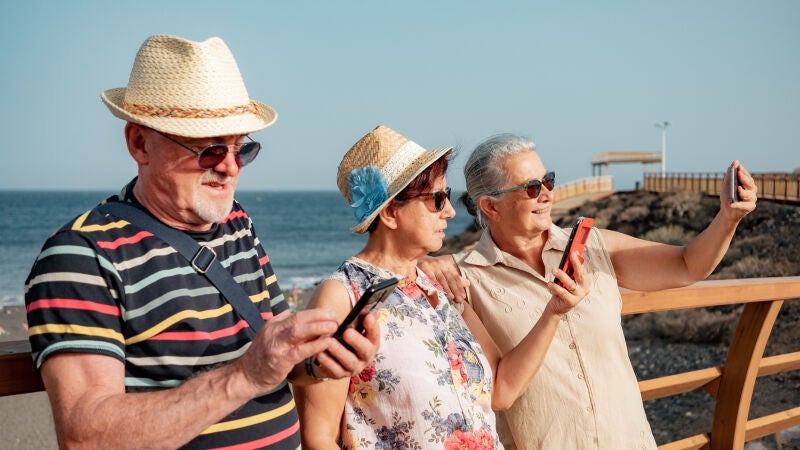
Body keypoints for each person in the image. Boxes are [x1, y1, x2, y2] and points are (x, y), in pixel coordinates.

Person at [24, 34, 379, 449]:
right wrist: (244, 375)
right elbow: (86, 437)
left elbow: (279, 365)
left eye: (241, 149)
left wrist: (321, 362)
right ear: (139, 143)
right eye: (210, 150)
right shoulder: (81, 256)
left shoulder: (237, 224)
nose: (230, 167)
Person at [419, 133, 758, 449]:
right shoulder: (461, 280)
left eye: (548, 180)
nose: (547, 193)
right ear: (491, 207)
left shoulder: (595, 247)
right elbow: (497, 391)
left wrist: (728, 219)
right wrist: (420, 262)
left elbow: (686, 265)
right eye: (532, 187)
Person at [293, 125, 590, 449]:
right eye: (437, 199)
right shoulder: (343, 296)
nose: (449, 211)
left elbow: (501, 389)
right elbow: (318, 439)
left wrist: (554, 311)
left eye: (446, 196)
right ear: (390, 212)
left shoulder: (438, 285)